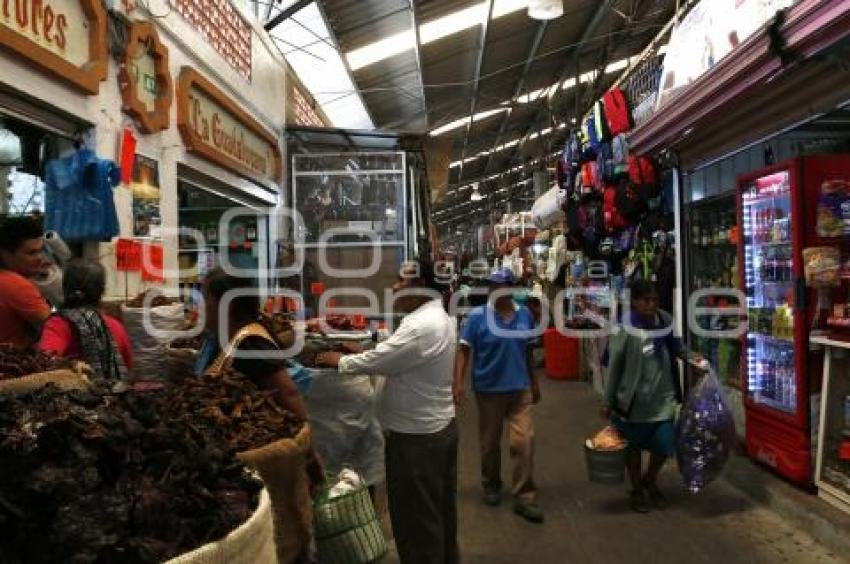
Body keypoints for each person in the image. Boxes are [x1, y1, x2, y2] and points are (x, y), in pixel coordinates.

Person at [316, 260, 458, 564]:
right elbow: (395, 353)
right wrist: (360, 350)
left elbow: (384, 359)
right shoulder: (434, 317)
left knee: (416, 519)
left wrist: (338, 361)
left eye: (400, 282)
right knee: (438, 510)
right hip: (434, 430)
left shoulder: (421, 325)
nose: (394, 288)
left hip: (416, 440)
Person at [601, 280, 701, 513]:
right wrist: (608, 400)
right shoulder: (624, 327)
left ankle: (650, 479)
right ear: (635, 302)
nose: (651, 304)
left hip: (663, 398)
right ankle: (637, 488)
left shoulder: (664, 320)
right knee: (633, 448)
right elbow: (614, 366)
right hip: (633, 401)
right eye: (646, 300)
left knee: (665, 445)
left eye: (655, 299)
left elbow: (678, 347)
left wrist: (694, 359)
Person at [453, 267, 543, 524]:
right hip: (489, 390)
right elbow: (463, 351)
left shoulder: (525, 315)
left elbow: (527, 352)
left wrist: (535, 383)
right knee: (489, 444)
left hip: (520, 389)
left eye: (501, 285)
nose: (496, 290)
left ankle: (525, 496)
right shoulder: (478, 317)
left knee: (524, 442)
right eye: (492, 286)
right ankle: (491, 483)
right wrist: (457, 382)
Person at [194, 267, 309, 420]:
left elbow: (288, 393)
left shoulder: (251, 343)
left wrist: (305, 441)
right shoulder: (220, 339)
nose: (199, 307)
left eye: (205, 299)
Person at [39, 259, 133, 378]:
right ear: (102, 291)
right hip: (113, 393)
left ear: (64, 288)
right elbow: (128, 367)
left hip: (72, 394)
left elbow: (45, 361)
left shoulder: (59, 324)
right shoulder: (116, 327)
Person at [0, 215, 51, 348]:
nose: (40, 258)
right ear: (6, 254)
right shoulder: (14, 284)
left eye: (41, 251)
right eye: (31, 253)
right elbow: (57, 325)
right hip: (12, 364)